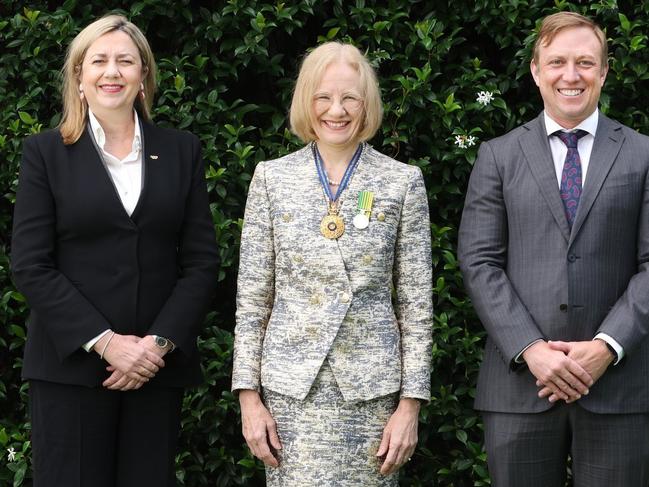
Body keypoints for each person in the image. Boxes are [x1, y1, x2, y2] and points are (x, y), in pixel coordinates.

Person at [11, 14, 219, 487]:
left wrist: (156, 344)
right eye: (98, 61)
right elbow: (30, 264)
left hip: (155, 370)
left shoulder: (182, 150)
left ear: (143, 75)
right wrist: (106, 343)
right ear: (79, 78)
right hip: (71, 372)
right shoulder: (44, 152)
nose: (112, 72)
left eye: (125, 61)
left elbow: (202, 261)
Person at [458, 11, 649, 486]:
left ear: (603, 71)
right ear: (535, 70)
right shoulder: (497, 156)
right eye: (557, 61)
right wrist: (531, 349)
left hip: (620, 388)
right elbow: (480, 261)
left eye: (585, 62)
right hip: (521, 386)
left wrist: (606, 347)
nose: (571, 75)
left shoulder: (644, 155)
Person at [231, 42, 433, 485]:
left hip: (371, 395)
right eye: (323, 97)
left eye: (350, 98)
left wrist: (410, 404)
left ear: (368, 104)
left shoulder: (402, 182)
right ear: (307, 101)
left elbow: (417, 307)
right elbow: (252, 301)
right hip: (290, 393)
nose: (336, 110)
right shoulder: (271, 177)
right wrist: (248, 397)